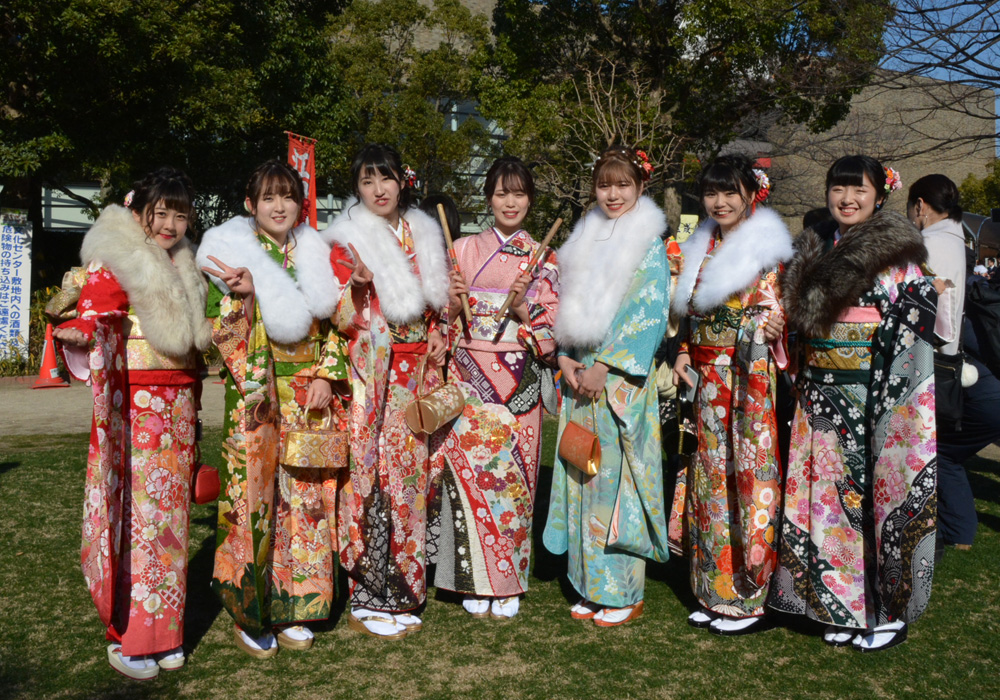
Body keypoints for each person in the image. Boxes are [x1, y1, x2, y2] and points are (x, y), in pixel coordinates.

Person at [771, 155, 940, 652]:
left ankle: (885, 609)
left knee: (868, 503)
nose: (847, 199)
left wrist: (887, 399)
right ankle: (836, 603)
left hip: (871, 397)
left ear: (879, 196)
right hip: (818, 395)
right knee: (824, 504)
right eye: (838, 188)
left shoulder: (901, 257)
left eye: (859, 190)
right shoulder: (817, 246)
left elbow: (910, 333)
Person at [54, 168, 211, 679]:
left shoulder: (187, 265)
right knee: (141, 522)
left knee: (172, 525)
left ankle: (166, 633)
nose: (169, 223)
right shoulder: (117, 255)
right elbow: (97, 314)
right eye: (160, 212)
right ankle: (134, 636)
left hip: (179, 409)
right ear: (139, 211)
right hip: (140, 406)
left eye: (179, 213)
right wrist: (84, 333)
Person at [197, 160, 348, 658]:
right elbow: (220, 329)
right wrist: (244, 298)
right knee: (255, 500)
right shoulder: (233, 254)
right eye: (268, 198)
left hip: (308, 392)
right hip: (258, 389)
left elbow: (332, 325)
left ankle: (298, 603)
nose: (279, 206)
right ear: (250, 205)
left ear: (300, 203)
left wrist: (327, 372)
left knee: (304, 499)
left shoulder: (313, 251)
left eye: (287, 196)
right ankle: (251, 610)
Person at [323, 144, 450, 639]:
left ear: (403, 181)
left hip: (417, 373)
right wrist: (355, 286)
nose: (378, 191)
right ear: (356, 190)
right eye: (367, 182)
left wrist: (440, 327)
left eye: (386, 179)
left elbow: (436, 305)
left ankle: (406, 588)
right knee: (370, 475)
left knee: (412, 481)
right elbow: (334, 314)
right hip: (372, 374)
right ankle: (369, 592)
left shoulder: (422, 231)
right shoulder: (347, 240)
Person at [543, 146, 670, 627]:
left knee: (615, 484)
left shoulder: (648, 242)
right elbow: (565, 304)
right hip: (581, 374)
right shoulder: (585, 237)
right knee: (581, 472)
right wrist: (567, 355)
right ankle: (588, 584)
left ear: (640, 187)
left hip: (618, 382)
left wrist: (607, 367)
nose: (612, 194)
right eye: (604, 185)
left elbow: (648, 314)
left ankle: (623, 590)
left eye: (622, 185)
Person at [429, 156, 559, 619]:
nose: (510, 202)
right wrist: (450, 298)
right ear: (488, 198)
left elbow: (552, 332)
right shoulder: (462, 248)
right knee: (465, 478)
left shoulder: (544, 257)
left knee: (514, 484)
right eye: (501, 193)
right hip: (468, 372)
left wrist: (527, 313)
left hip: (517, 378)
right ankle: (468, 579)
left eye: (519, 193)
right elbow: (441, 319)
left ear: (529, 199)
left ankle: (506, 582)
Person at [668, 154, 792, 635]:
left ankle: (748, 596)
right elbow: (690, 313)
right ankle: (712, 589)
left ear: (751, 194)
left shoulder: (767, 252)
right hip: (705, 380)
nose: (720, 202)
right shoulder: (699, 247)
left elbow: (771, 312)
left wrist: (770, 325)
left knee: (746, 478)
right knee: (708, 480)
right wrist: (682, 349)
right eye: (712, 193)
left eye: (730, 193)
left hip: (746, 381)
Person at [907, 175, 974, 549]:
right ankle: (954, 529)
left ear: (920, 205)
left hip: (927, 357)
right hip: (951, 357)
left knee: (926, 449)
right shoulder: (960, 240)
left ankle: (935, 526)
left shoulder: (926, 243)